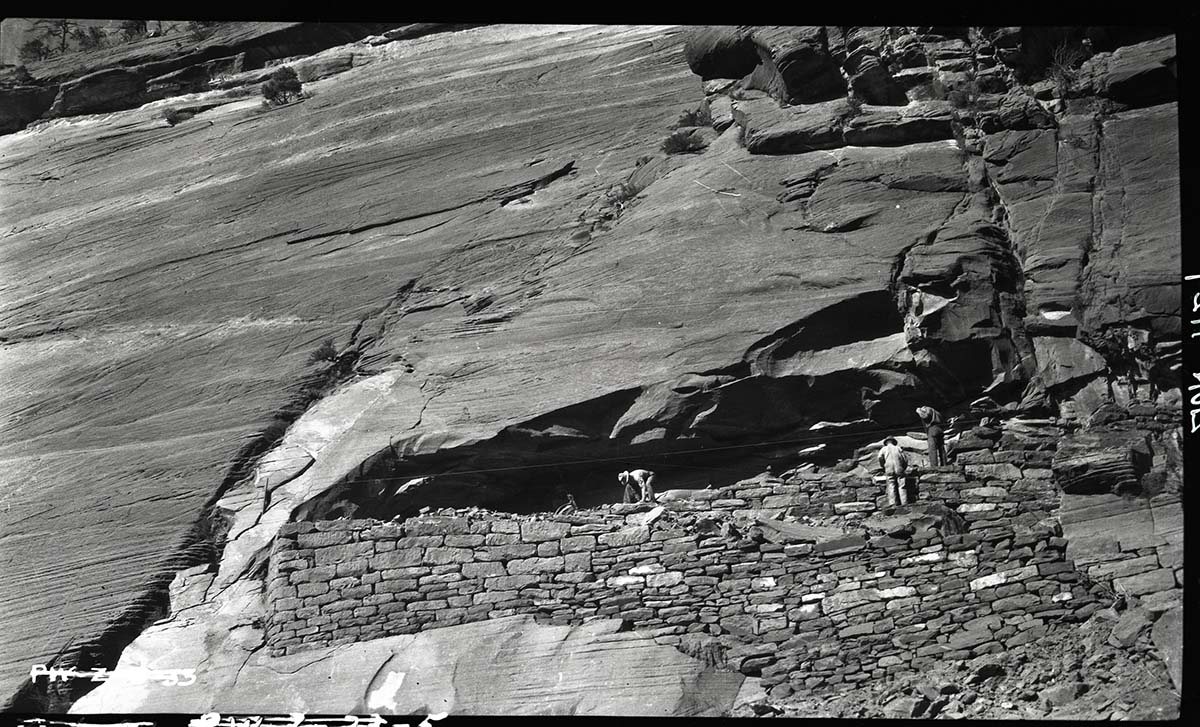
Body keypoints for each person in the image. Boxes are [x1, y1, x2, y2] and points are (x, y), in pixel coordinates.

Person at [877, 438, 910, 507]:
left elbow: (880, 457)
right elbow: (905, 459)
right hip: (899, 468)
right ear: (893, 442)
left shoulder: (883, 449)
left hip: (889, 468)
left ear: (886, 442)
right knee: (902, 485)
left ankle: (893, 503)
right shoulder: (898, 448)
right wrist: (903, 467)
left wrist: (883, 465)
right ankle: (904, 502)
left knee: (891, 485)